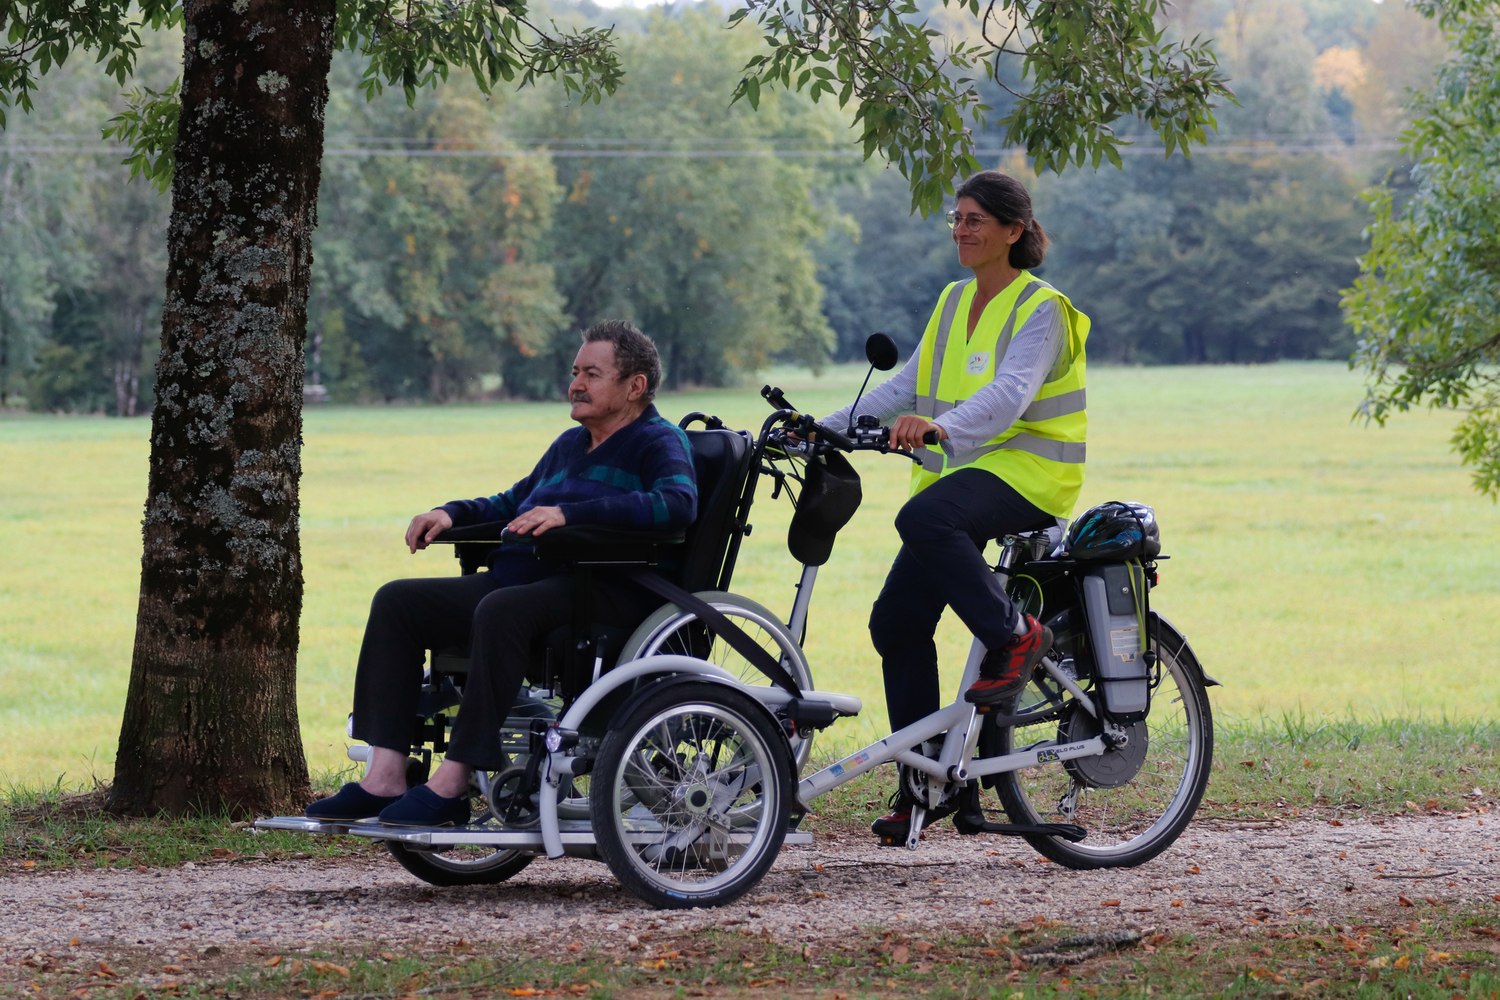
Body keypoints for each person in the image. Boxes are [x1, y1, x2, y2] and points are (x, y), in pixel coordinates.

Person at [306, 320, 698, 827]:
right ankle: (384, 779)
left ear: (635, 386)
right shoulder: (570, 444)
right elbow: (512, 502)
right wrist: (452, 513)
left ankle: (450, 784)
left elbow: (677, 504)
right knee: (398, 602)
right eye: (575, 371)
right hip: (525, 582)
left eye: (591, 374)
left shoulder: (658, 441)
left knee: (501, 609)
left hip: (601, 588)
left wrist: (571, 515)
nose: (575, 384)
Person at [821, 170, 1090, 843]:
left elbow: (1011, 393)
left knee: (922, 517)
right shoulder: (952, 300)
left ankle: (1016, 635)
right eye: (957, 218)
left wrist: (941, 430)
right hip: (963, 484)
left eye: (975, 220)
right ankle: (927, 783)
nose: (960, 230)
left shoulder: (1042, 309)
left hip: (1031, 474)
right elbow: (906, 384)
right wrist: (817, 428)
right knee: (896, 623)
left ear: (1013, 231)